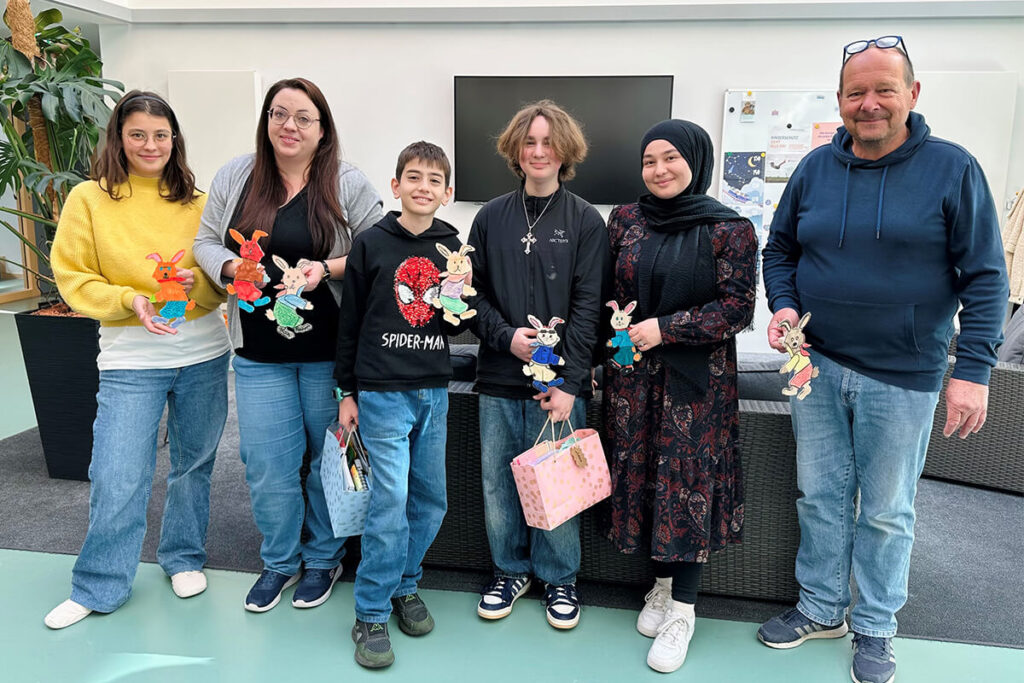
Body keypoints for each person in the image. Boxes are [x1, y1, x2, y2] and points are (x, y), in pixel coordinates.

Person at [758, 37, 1009, 683]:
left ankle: (874, 625)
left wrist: (972, 370)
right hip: (812, 362)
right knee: (820, 496)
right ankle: (820, 606)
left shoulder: (953, 168)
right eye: (854, 93)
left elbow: (985, 278)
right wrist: (783, 305)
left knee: (887, 508)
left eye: (883, 90)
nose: (868, 104)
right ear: (839, 101)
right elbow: (779, 250)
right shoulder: (815, 169)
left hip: (903, 375)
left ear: (912, 94)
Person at [193, 77, 382, 613]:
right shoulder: (238, 175)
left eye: (303, 117)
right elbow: (204, 241)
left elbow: (374, 249)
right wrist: (230, 266)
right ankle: (279, 560)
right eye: (279, 114)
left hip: (328, 355)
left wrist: (326, 268)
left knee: (330, 460)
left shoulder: (345, 181)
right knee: (266, 464)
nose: (289, 126)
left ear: (323, 130)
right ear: (266, 121)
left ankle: (323, 559)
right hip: (259, 355)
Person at [45, 91, 231, 629]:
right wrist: (132, 300)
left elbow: (217, 279)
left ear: (175, 140)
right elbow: (75, 277)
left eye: (160, 135)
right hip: (130, 358)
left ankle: (183, 557)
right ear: (118, 139)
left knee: (193, 466)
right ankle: (99, 584)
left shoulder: (197, 201)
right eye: (138, 134)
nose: (150, 145)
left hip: (203, 354)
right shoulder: (89, 199)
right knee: (118, 472)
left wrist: (207, 287)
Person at [603, 120, 756, 672]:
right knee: (646, 479)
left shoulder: (729, 228)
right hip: (633, 381)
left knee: (688, 484)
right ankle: (661, 587)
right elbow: (608, 295)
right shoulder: (625, 220)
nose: (659, 169)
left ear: (696, 160)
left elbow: (738, 309)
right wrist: (614, 347)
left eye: (671, 158)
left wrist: (663, 328)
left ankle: (684, 610)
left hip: (696, 388)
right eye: (649, 161)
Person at [468, 100, 606, 629]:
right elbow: (468, 296)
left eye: (548, 142)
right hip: (500, 375)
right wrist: (507, 339)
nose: (539, 151)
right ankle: (509, 571)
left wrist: (572, 382)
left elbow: (589, 308)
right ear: (515, 150)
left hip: (562, 386)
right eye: (530, 141)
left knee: (558, 486)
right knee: (499, 483)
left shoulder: (587, 220)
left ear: (564, 149)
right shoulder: (488, 217)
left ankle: (560, 579)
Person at [335, 141, 464, 669]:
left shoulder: (453, 247)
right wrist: (346, 391)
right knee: (389, 503)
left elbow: (459, 319)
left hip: (434, 390)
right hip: (382, 393)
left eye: (434, 180)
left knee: (430, 498)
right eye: (413, 177)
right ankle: (370, 610)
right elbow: (352, 321)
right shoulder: (371, 244)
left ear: (447, 193)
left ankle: (404, 584)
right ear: (395, 186)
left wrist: (459, 295)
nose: (423, 187)